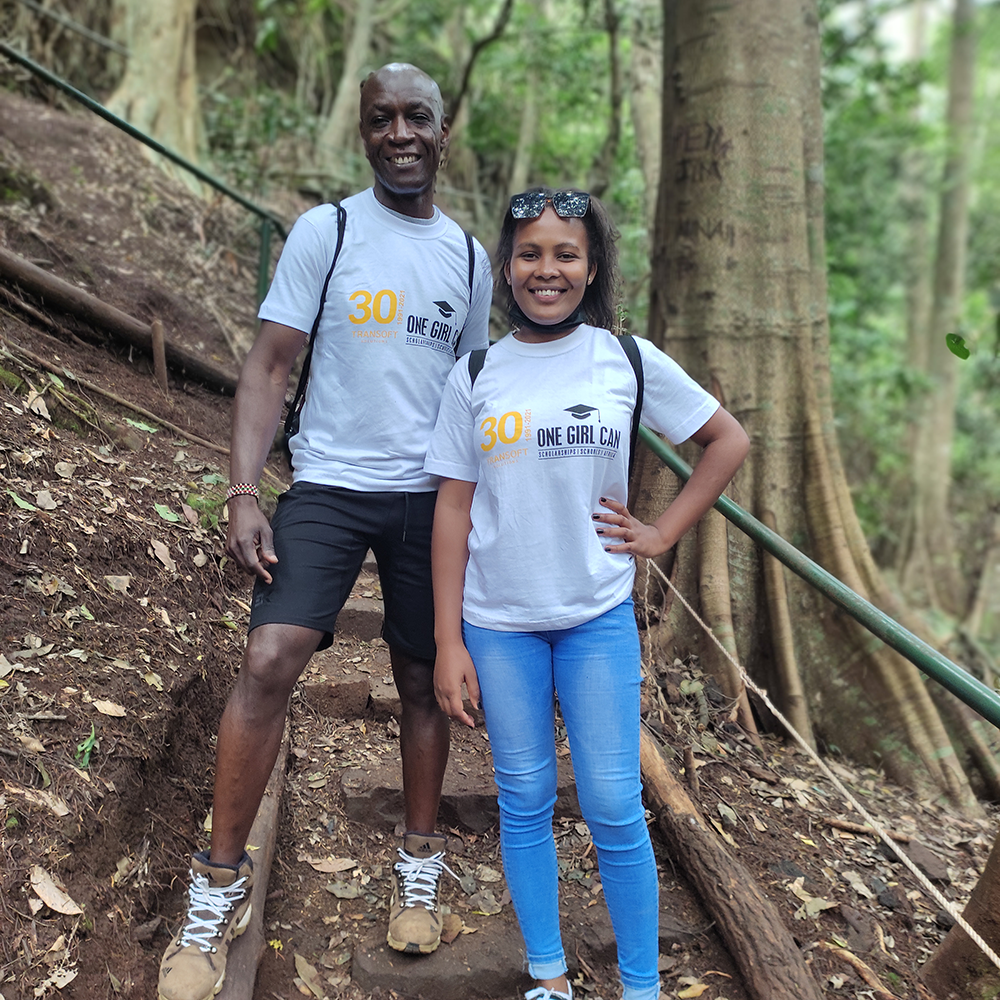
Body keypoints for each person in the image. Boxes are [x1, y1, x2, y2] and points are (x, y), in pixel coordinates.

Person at [157, 63, 492, 1000]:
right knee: (270, 658)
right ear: (362, 129)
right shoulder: (328, 230)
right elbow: (268, 365)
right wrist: (243, 491)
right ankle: (215, 892)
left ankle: (418, 867)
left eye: (416, 116)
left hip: (430, 497)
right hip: (332, 485)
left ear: (443, 128)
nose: (400, 132)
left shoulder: (470, 258)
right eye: (381, 117)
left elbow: (473, 397)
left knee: (425, 677)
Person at [425, 187, 749, 1000]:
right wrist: (447, 641)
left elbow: (725, 439)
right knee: (525, 796)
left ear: (592, 265)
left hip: (597, 615)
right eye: (529, 253)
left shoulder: (625, 360)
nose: (547, 269)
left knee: (612, 803)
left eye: (565, 253)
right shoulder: (476, 373)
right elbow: (453, 509)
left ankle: (640, 987)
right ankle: (548, 979)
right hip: (499, 622)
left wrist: (663, 532)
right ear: (506, 267)